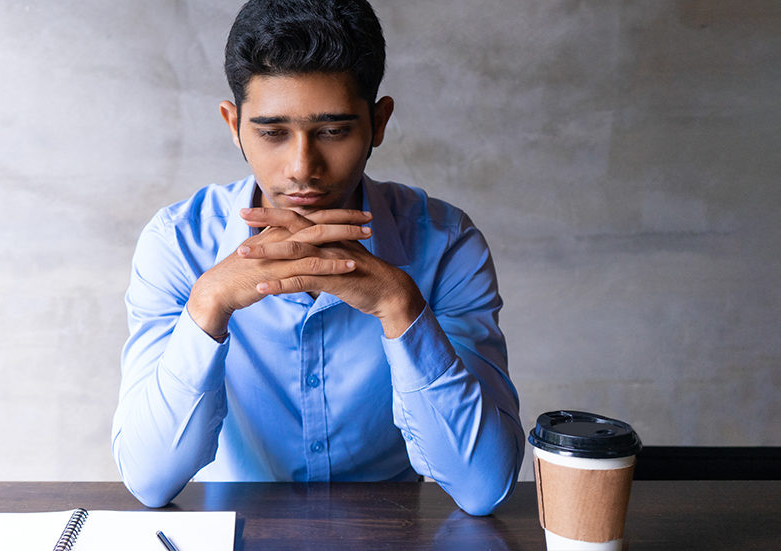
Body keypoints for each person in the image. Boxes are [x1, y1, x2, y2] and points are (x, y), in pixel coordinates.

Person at [112, 0, 524, 516]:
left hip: (390, 537)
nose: (302, 168)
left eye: (333, 131)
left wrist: (401, 306)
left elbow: (483, 486)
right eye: (271, 133)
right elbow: (149, 480)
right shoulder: (178, 244)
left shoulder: (446, 244)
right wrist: (208, 303)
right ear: (233, 124)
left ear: (378, 123)